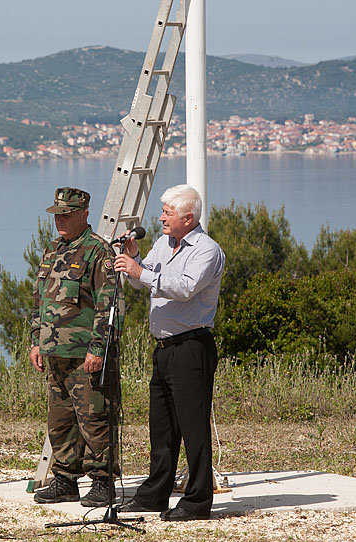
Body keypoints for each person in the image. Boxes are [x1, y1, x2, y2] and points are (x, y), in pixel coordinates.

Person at [113, 184, 225, 521]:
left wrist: (140, 271)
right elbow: (141, 281)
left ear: (187, 218)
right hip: (163, 347)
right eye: (162, 211)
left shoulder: (207, 250)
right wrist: (135, 260)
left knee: (194, 428)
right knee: (161, 427)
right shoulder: (164, 244)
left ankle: (197, 501)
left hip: (191, 347)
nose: (160, 217)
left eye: (167, 212)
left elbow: (185, 288)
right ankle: (155, 494)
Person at [29, 186, 120, 507]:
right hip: (55, 352)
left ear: (84, 214)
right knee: (61, 419)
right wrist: (36, 341)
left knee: (95, 417)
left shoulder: (98, 252)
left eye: (67, 215)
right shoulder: (53, 249)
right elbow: (40, 298)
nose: (61, 221)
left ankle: (103, 481)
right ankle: (65, 480)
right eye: (58, 216)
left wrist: (98, 349)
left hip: (85, 355)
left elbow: (107, 307)